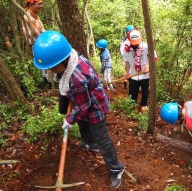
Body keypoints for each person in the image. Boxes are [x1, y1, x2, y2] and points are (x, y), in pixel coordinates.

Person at [32, 31, 124, 189]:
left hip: (95, 107)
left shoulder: (76, 78)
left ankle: (116, 168)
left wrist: (69, 119)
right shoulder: (74, 58)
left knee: (102, 139)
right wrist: (74, 116)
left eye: (50, 67)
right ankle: (90, 144)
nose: (49, 70)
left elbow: (84, 106)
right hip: (84, 102)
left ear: (61, 61)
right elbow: (80, 104)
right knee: (83, 125)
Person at [22, 0, 57, 87]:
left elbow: (42, 30)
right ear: (31, 4)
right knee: (47, 64)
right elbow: (36, 33)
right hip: (39, 44)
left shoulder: (36, 16)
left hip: (43, 42)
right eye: (39, 4)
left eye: (42, 4)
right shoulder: (27, 17)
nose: (41, 6)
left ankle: (52, 81)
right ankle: (50, 83)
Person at [123, 29, 157, 112]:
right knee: (132, 91)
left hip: (145, 75)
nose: (136, 44)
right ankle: (132, 106)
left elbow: (154, 57)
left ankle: (144, 105)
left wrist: (148, 66)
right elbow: (127, 62)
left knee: (145, 91)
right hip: (133, 75)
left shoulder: (147, 47)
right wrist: (127, 73)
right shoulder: (127, 49)